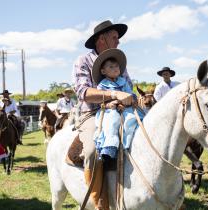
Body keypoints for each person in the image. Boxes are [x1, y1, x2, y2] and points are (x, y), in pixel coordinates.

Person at [72, 20, 134, 210]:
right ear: (102, 39)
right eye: (115, 37)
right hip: (92, 114)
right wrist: (113, 95)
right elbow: (83, 92)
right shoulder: (83, 61)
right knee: (91, 150)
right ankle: (99, 201)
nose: (118, 42)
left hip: (122, 111)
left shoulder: (119, 65)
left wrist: (131, 100)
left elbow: (129, 90)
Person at [92, 48, 138, 160]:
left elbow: (131, 94)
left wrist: (132, 99)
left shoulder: (123, 82)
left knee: (133, 120)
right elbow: (100, 101)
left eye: (116, 66)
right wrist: (108, 105)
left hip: (125, 109)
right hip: (109, 111)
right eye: (111, 67)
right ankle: (109, 147)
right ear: (103, 71)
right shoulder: (102, 85)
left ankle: (130, 145)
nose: (115, 69)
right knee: (112, 122)